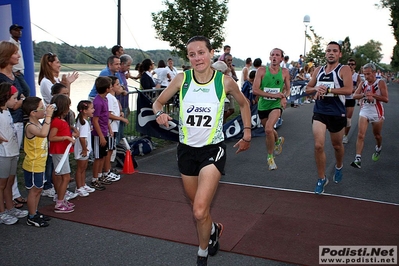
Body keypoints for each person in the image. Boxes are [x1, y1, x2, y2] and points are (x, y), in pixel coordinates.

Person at [152, 36, 251, 266]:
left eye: (201, 52)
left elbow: (244, 104)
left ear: (211, 53)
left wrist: (247, 132)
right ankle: (214, 229)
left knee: (198, 211)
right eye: (192, 54)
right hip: (186, 150)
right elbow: (157, 103)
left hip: (212, 149)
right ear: (188, 57)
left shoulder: (224, 82)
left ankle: (202, 252)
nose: (197, 58)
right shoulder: (181, 79)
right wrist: (159, 115)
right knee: (200, 207)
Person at [305, 41, 352, 194]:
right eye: (328, 51)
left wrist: (328, 89)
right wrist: (316, 88)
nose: (331, 53)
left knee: (337, 145)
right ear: (325, 53)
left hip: (337, 112)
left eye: (334, 51)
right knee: (318, 145)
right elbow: (307, 89)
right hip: (320, 111)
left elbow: (348, 89)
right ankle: (321, 178)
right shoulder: (318, 70)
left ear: (339, 54)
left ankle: (339, 166)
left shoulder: (343, 69)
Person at [0, 41, 29, 208]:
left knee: (14, 159)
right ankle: (9, 198)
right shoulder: (1, 78)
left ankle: (13, 194)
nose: (18, 56)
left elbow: (25, 93)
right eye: (15, 53)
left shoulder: (16, 76)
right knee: (7, 159)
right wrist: (19, 102)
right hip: (6, 121)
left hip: (18, 120)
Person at [252, 48, 291, 170]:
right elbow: (255, 90)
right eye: (272, 55)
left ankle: (270, 157)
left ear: (281, 59)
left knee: (268, 129)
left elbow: (288, 89)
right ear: (269, 58)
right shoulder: (261, 71)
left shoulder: (284, 72)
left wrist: (284, 96)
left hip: (276, 105)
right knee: (268, 129)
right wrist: (274, 95)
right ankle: (278, 140)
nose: (274, 57)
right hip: (263, 106)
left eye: (277, 55)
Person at [21, 96, 55, 227]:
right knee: (34, 191)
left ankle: (34, 211)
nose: (45, 110)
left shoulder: (38, 123)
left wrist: (46, 116)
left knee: (39, 189)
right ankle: (31, 216)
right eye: (42, 107)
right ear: (33, 112)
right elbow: (43, 133)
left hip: (40, 163)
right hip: (33, 164)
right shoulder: (30, 126)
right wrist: (48, 117)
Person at [350, 63, 389, 169]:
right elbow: (354, 96)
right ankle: (358, 159)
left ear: (374, 73)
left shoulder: (380, 83)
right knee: (361, 135)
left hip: (377, 111)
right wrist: (364, 95)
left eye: (368, 74)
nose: (367, 77)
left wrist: (374, 95)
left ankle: (379, 147)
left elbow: (386, 99)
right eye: (365, 74)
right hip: (365, 110)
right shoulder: (363, 83)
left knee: (377, 135)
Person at [0, 83, 27, 225]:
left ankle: (10, 207)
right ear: (6, 97)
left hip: (12, 151)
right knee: (1, 184)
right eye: (14, 98)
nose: (16, 101)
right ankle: (2, 212)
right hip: (3, 153)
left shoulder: (7, 112)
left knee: (9, 182)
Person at [48, 94, 76, 213]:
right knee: (66, 177)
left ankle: (62, 199)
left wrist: (70, 136)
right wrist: (66, 137)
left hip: (62, 151)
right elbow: (52, 137)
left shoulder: (61, 121)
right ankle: (60, 201)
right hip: (59, 152)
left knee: (64, 176)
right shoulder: (57, 122)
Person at [103, 76, 128, 181]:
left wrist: (120, 112)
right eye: (117, 84)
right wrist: (121, 119)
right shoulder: (109, 98)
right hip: (111, 128)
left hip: (114, 127)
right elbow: (108, 115)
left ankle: (108, 169)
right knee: (109, 150)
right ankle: (106, 171)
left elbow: (114, 111)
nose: (120, 86)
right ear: (111, 87)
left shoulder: (113, 98)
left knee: (111, 149)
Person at [90, 76, 112, 191]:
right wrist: (101, 136)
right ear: (107, 89)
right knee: (98, 157)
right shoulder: (98, 102)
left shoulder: (105, 100)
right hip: (99, 134)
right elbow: (95, 120)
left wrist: (109, 129)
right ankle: (95, 179)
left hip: (104, 131)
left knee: (103, 155)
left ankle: (100, 175)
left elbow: (105, 117)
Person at [74, 100, 96, 196]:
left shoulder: (84, 122)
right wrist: (84, 149)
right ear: (84, 111)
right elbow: (82, 138)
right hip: (82, 149)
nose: (93, 110)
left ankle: (83, 184)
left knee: (84, 167)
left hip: (85, 149)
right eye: (91, 108)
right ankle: (79, 187)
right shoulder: (83, 123)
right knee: (80, 168)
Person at [9, 24, 30, 104]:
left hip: (20, 71)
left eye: (19, 30)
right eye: (16, 30)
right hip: (16, 72)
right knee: (25, 90)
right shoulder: (10, 44)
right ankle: (23, 106)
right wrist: (12, 71)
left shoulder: (18, 43)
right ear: (11, 32)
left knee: (21, 91)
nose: (19, 32)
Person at [342, 58, 361, 144]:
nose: (350, 66)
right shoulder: (342, 74)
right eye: (349, 64)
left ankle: (345, 135)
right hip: (341, 98)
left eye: (352, 64)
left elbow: (359, 88)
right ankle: (339, 134)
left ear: (355, 66)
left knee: (348, 119)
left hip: (350, 98)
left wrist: (353, 90)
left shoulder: (357, 76)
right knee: (339, 118)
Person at [115, 54, 131, 144]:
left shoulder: (123, 74)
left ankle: (121, 142)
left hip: (124, 103)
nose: (129, 67)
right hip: (119, 103)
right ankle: (117, 144)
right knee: (118, 126)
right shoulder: (117, 74)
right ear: (122, 64)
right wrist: (123, 91)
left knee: (122, 126)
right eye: (128, 65)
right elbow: (119, 88)